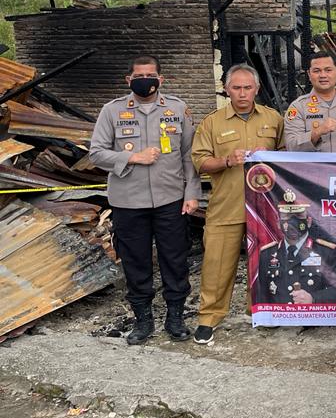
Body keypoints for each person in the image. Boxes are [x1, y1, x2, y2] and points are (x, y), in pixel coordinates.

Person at [88, 55, 201, 345]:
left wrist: (192, 193)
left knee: (175, 261)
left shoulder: (177, 109)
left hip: (170, 200)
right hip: (128, 202)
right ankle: (143, 319)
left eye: (151, 74)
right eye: (139, 75)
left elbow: (190, 155)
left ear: (161, 79)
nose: (145, 79)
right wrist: (132, 157)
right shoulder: (111, 111)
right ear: (129, 80)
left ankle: (175, 317)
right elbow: (96, 153)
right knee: (136, 262)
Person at [191, 63, 285, 345]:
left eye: (248, 87)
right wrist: (226, 160)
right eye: (236, 88)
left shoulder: (273, 119)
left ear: (256, 89)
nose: (242, 93)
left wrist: (273, 156)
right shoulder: (212, 122)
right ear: (227, 89)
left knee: (267, 262)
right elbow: (199, 161)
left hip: (265, 206)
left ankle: (261, 312)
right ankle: (209, 317)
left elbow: (287, 156)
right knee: (216, 264)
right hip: (226, 205)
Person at [254, 194, 336, 305]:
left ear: (309, 221)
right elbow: (262, 296)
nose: (293, 222)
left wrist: (313, 298)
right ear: (278, 223)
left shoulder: (326, 252)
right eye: (287, 216)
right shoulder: (267, 254)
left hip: (312, 320)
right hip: (280, 320)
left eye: (299, 216)